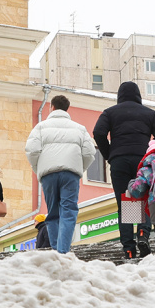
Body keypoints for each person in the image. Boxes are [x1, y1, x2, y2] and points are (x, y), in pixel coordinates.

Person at [93, 81, 155, 260]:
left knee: (126, 202)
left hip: (119, 161)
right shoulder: (149, 113)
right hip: (142, 161)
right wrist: (152, 150)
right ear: (138, 95)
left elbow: (98, 133)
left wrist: (110, 153)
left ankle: (128, 248)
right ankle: (143, 234)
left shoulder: (110, 112)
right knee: (143, 198)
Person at [25, 95, 95, 254]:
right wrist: (78, 167)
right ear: (67, 109)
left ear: (52, 107)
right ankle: (63, 251)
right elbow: (90, 153)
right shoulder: (79, 128)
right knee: (68, 212)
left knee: (53, 213)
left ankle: (56, 251)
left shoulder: (41, 127)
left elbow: (31, 150)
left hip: (48, 175)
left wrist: (39, 169)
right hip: (70, 174)